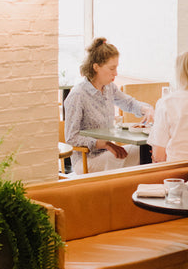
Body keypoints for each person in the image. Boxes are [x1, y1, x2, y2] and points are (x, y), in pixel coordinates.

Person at [64, 37, 154, 173]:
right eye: (112, 68)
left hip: (109, 153)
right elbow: (71, 137)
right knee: (144, 157)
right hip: (87, 159)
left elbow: (129, 103)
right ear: (96, 67)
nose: (116, 73)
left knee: (149, 149)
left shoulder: (109, 88)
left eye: (116, 68)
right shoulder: (78, 95)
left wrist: (146, 109)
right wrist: (105, 144)